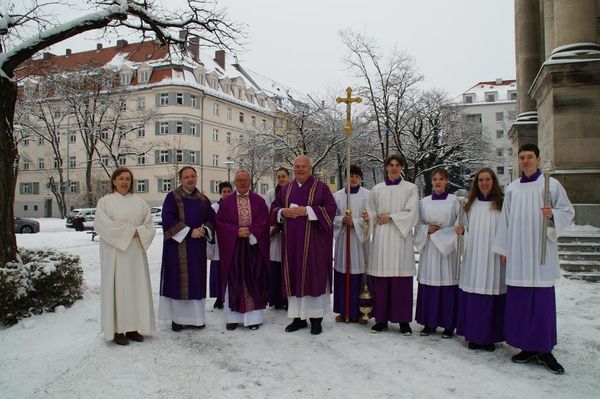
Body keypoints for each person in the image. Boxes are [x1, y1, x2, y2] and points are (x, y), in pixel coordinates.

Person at [493, 143, 574, 374]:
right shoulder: (513, 189)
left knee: (541, 303)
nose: (526, 161)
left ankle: (545, 349)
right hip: (518, 253)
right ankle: (527, 347)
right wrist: (504, 249)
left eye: (530, 157)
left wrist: (553, 215)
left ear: (538, 159)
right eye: (522, 157)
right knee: (519, 301)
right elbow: (505, 221)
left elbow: (568, 212)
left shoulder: (550, 185)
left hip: (540, 254)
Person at [270, 155, 337, 335]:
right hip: (291, 245)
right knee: (294, 277)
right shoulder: (286, 189)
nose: (300, 169)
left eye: (303, 167)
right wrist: (283, 211)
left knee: (313, 278)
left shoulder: (321, 188)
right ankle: (297, 318)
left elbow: (331, 210)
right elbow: (274, 208)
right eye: (297, 166)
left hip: (314, 246)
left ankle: (316, 319)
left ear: (310, 168)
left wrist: (306, 211)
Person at [95, 167, 156, 345]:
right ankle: (117, 329)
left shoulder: (140, 203)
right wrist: (130, 231)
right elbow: (103, 225)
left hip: (135, 254)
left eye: (128, 179)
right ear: (114, 181)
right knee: (118, 289)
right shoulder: (105, 202)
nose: (124, 182)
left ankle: (133, 327)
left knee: (135, 289)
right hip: (115, 254)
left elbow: (149, 226)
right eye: (121, 179)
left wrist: (140, 232)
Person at [366, 154, 419, 335]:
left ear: (402, 167)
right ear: (386, 168)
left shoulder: (411, 188)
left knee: (401, 282)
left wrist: (390, 217)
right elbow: (371, 210)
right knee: (381, 280)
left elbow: (412, 213)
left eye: (397, 165)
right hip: (382, 238)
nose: (394, 168)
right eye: (391, 165)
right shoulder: (377, 189)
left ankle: (403, 321)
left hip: (400, 239)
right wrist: (370, 217)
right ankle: (381, 320)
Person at [158, 166, 216, 332]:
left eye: (192, 176)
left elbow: (212, 219)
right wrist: (190, 231)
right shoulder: (173, 197)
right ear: (181, 179)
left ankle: (197, 319)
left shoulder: (203, 199)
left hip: (197, 248)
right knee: (179, 281)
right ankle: (178, 320)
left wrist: (204, 230)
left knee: (196, 281)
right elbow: (168, 219)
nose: (190, 179)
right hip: (178, 248)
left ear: (196, 177)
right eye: (186, 177)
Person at [455, 168, 505, 352]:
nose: (484, 183)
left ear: (494, 182)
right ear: (476, 183)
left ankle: (490, 336)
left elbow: (507, 230)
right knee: (474, 292)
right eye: (480, 180)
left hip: (493, 257)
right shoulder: (469, 205)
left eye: (488, 179)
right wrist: (461, 232)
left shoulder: (502, 204)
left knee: (491, 292)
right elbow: (464, 228)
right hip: (474, 256)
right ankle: (474, 335)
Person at [216, 170, 270, 331]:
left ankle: (253, 319)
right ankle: (232, 318)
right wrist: (235, 231)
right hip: (233, 248)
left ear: (250, 181)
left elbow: (264, 221)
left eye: (245, 180)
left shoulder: (259, 201)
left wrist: (251, 231)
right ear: (234, 182)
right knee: (234, 280)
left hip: (253, 247)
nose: (242, 183)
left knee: (253, 279)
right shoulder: (226, 202)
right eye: (239, 180)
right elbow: (220, 223)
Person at [414, 168, 460, 338]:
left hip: (447, 249)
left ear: (446, 180)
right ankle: (429, 322)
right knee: (430, 284)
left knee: (447, 284)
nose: (438, 182)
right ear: (431, 182)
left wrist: (443, 235)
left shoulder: (455, 201)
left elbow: (460, 224)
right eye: (435, 179)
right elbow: (417, 224)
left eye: (441, 179)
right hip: (430, 249)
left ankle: (448, 325)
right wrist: (427, 229)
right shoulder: (424, 202)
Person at [332, 164, 370, 323]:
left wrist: (354, 222)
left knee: (359, 275)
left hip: (359, 242)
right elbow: (332, 217)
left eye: (356, 176)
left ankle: (362, 311)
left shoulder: (368, 195)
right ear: (345, 177)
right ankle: (343, 310)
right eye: (350, 176)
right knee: (343, 274)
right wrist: (342, 220)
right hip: (343, 242)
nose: (353, 179)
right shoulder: (338, 196)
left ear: (360, 178)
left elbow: (370, 218)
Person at [264, 167, 291, 310]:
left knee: (286, 266)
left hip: (289, 235)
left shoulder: (293, 192)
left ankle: (286, 299)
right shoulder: (271, 193)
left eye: (284, 176)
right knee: (275, 266)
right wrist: (273, 226)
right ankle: (275, 298)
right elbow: (268, 212)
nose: (281, 179)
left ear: (288, 177)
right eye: (279, 176)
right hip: (275, 236)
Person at [207, 181, 233, 310]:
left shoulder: (235, 206)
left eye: (229, 191)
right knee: (218, 271)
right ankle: (219, 297)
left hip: (232, 242)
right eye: (224, 192)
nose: (227, 194)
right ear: (220, 193)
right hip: (218, 242)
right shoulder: (215, 208)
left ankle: (230, 295)